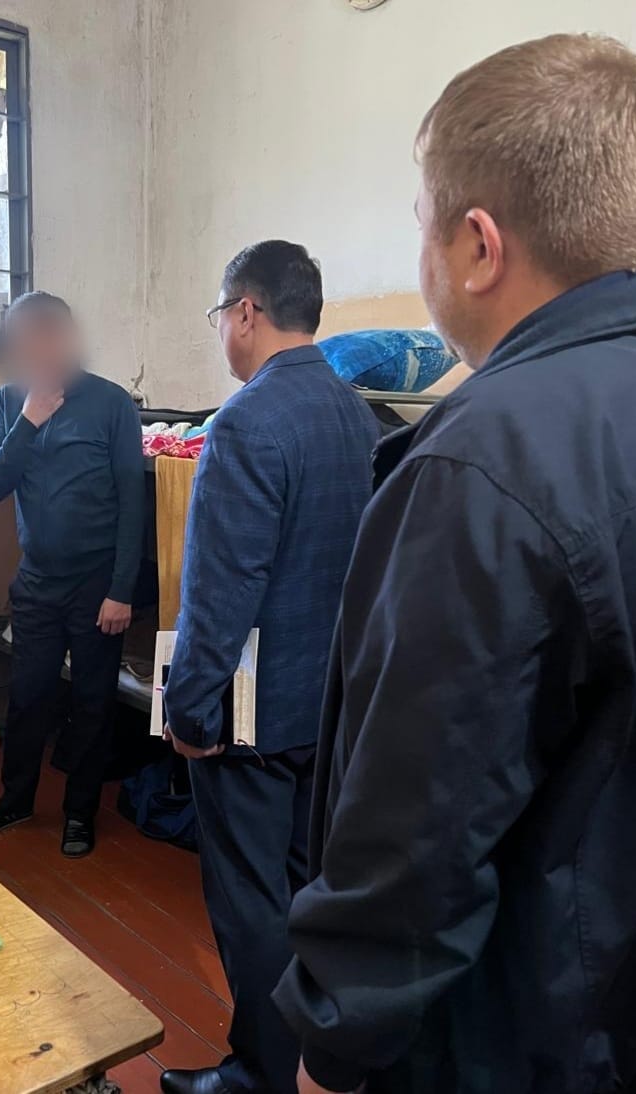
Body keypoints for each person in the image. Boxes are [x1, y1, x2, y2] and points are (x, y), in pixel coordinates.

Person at [274, 34, 636, 1094]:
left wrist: (333, 1044)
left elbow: (418, 827)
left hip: (516, 1026)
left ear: (478, 246)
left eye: (421, 225)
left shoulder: (486, 460)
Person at [160, 241, 380, 1094]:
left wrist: (189, 712)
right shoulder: (358, 416)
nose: (222, 330)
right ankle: (302, 1063)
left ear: (246, 312)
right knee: (302, 892)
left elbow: (221, 593)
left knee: (249, 906)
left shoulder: (245, 422)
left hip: (248, 723)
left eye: (221, 315)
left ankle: (260, 1073)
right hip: (327, 708)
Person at [0, 292, 144, 858]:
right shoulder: (10, 399)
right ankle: (15, 800)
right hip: (37, 581)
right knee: (29, 696)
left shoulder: (112, 403)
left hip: (97, 584)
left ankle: (80, 813)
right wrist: (28, 419)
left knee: (92, 701)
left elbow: (132, 502)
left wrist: (121, 590)